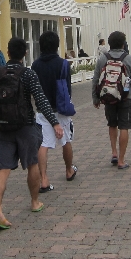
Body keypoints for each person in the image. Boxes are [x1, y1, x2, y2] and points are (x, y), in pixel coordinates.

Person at [0, 37, 63, 230]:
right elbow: (41, 100)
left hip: (3, 128)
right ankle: (35, 202)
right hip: (25, 126)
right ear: (25, 54)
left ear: (8, 52)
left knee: (3, 169)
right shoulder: (28, 74)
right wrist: (54, 123)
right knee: (32, 164)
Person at [32, 31, 77, 193]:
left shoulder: (35, 65)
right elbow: (67, 89)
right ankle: (69, 170)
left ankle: (44, 179)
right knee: (66, 141)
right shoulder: (63, 63)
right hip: (60, 109)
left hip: (43, 110)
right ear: (57, 45)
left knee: (43, 144)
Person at [92, 31, 131, 170]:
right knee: (124, 126)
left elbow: (96, 79)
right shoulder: (129, 59)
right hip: (125, 96)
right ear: (123, 44)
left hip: (108, 96)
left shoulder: (103, 58)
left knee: (112, 124)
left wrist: (95, 98)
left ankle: (114, 153)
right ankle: (121, 160)